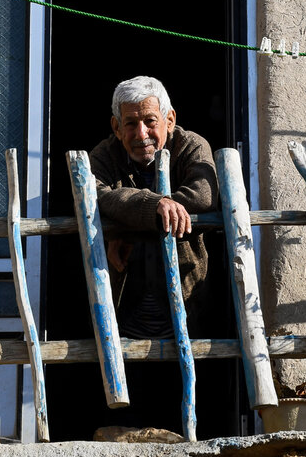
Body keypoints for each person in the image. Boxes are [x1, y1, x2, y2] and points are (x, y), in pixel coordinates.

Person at [88, 76, 218, 340]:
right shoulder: (103, 156)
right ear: (116, 127)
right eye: (130, 124)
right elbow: (96, 197)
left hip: (186, 294)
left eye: (150, 121)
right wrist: (156, 204)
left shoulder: (190, 146)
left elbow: (203, 196)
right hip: (124, 302)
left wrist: (125, 229)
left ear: (169, 120)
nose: (141, 134)